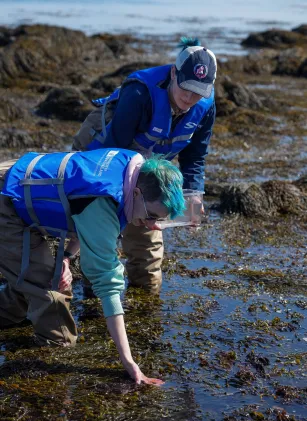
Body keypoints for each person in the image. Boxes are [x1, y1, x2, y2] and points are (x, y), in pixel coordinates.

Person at [0, 148, 185, 384]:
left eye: (159, 220)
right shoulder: (105, 201)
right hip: (7, 199)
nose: (153, 227)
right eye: (152, 216)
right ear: (137, 193)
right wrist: (129, 361)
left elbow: (80, 211)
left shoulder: (133, 167)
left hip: (16, 176)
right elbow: (108, 287)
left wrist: (66, 256)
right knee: (56, 319)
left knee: (27, 292)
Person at [73, 37, 217, 293]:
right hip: (104, 153)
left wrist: (194, 194)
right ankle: (93, 296)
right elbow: (114, 153)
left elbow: (195, 156)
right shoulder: (139, 93)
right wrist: (134, 206)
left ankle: (145, 300)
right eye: (186, 87)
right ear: (174, 73)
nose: (190, 96)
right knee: (100, 232)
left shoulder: (205, 107)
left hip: (147, 162)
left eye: (198, 91)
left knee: (148, 251)